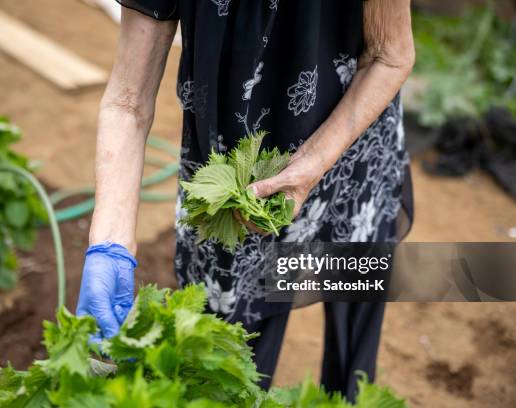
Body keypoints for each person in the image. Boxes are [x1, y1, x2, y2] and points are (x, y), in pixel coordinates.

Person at [76, 0, 415, 400]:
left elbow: (390, 56)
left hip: (350, 146)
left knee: (350, 292)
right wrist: (109, 245)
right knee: (232, 360)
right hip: (236, 185)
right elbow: (128, 101)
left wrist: (312, 162)